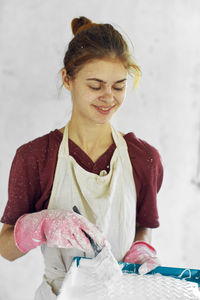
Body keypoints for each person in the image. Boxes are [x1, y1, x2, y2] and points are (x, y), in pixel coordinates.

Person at [0, 16, 163, 299]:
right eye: (96, 86)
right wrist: (41, 226)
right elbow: (5, 249)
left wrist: (142, 249)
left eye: (119, 86)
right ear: (67, 79)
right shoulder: (36, 157)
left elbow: (142, 226)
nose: (109, 98)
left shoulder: (143, 158)